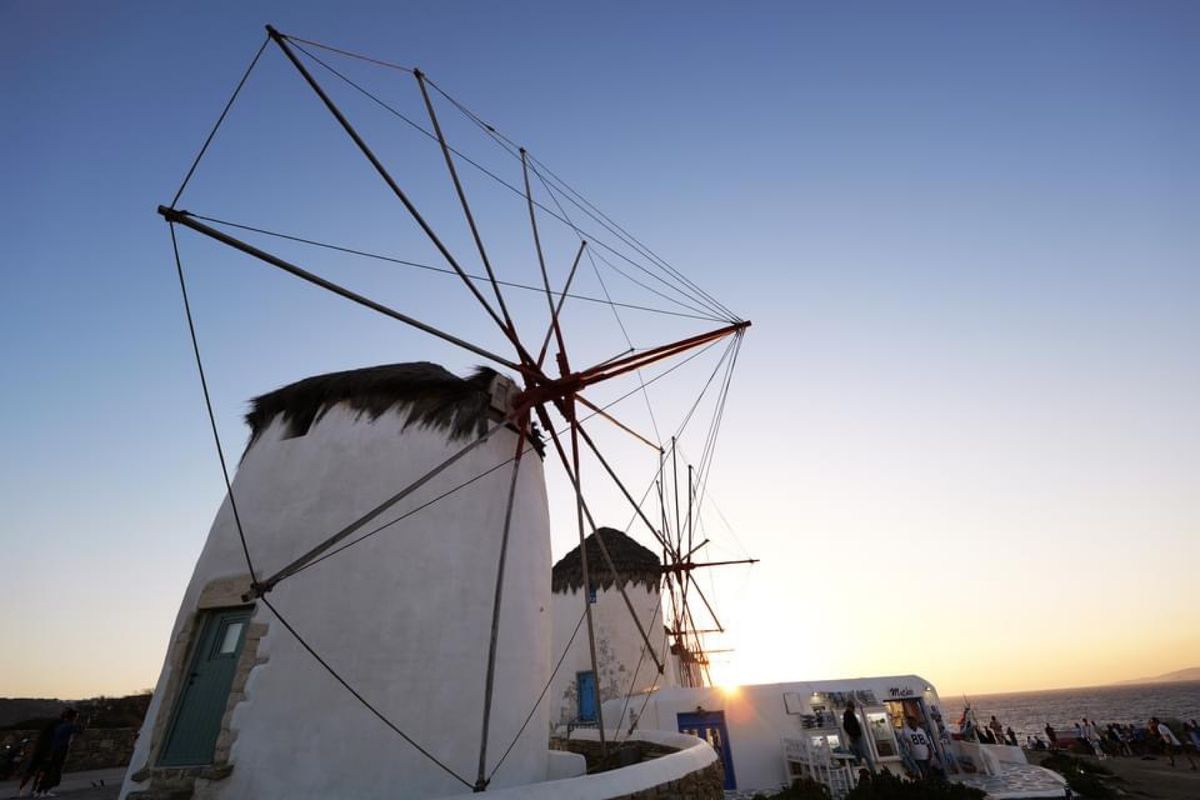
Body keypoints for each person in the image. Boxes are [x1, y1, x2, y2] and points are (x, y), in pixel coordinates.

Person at [33, 708, 83, 796]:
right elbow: (80, 730)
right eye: (76, 717)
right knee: (55, 771)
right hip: (61, 750)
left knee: (49, 770)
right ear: (73, 717)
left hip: (53, 749)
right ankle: (45, 790)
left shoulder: (60, 725)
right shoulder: (69, 725)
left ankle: (39, 790)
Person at [15, 714, 62, 798]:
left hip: (39, 752)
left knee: (32, 771)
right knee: (41, 772)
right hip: (45, 753)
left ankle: (24, 790)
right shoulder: (52, 735)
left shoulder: (45, 734)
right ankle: (34, 790)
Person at [842, 700, 875, 772]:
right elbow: (853, 727)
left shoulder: (846, 715)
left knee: (857, 755)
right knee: (865, 754)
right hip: (856, 737)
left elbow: (846, 727)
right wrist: (854, 735)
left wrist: (850, 735)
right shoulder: (850, 715)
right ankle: (872, 770)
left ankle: (859, 770)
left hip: (853, 737)